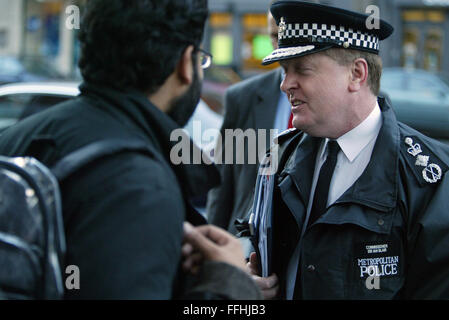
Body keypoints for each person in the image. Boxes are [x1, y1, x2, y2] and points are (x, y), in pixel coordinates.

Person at [0, 0, 261, 300]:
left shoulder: (17, 139)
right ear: (185, 64)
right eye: (201, 59)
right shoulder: (140, 184)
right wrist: (230, 284)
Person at [247, 0, 449, 299]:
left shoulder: (428, 177)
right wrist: (248, 275)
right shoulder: (281, 155)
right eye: (285, 70)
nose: (286, 84)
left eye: (302, 69)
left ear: (357, 74)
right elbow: (253, 233)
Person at [207, 1, 291, 236]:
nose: (281, 46)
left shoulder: (337, 100)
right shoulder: (242, 97)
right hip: (247, 240)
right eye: (274, 36)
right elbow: (222, 184)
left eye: (289, 35)